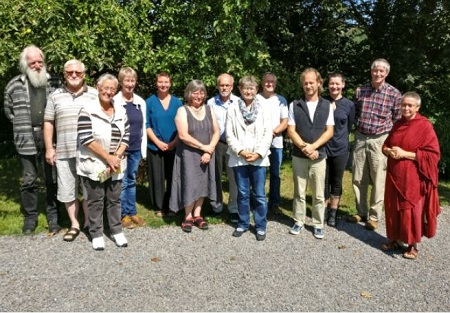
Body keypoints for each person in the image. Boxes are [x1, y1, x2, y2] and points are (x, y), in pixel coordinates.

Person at [4, 45, 59, 235]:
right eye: (32, 62)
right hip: (26, 136)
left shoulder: (54, 83)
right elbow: (9, 110)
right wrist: (22, 124)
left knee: (52, 178)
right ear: (25, 64)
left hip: (50, 137)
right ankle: (30, 218)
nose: (36, 65)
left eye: (39, 61)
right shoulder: (14, 85)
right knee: (28, 179)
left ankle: (53, 216)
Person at [381, 92, 440, 259]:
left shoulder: (424, 126)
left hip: (412, 176)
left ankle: (412, 245)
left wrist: (405, 154)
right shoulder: (398, 124)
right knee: (393, 207)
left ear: (417, 107)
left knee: (410, 209)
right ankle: (396, 240)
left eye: (409, 105)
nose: (405, 108)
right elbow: (386, 144)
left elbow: (433, 155)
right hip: (394, 174)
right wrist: (388, 150)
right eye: (403, 105)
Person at [44, 59, 97, 241]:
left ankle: (90, 223)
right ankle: (74, 224)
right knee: (67, 189)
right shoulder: (55, 95)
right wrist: (49, 148)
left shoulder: (95, 95)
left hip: (89, 152)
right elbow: (48, 122)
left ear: (84, 75)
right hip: (64, 151)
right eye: (70, 73)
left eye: (78, 73)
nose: (74, 75)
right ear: (64, 74)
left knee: (90, 190)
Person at [77, 74, 130, 250]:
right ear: (98, 88)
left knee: (115, 199)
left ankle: (116, 231)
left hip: (115, 163)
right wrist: (107, 158)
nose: (108, 92)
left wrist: (115, 157)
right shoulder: (87, 109)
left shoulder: (120, 110)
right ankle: (97, 233)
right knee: (96, 199)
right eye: (105, 88)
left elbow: (126, 136)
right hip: (95, 162)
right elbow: (85, 138)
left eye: (112, 89)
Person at [349, 58, 402, 231]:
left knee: (379, 178)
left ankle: (374, 217)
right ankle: (361, 212)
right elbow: (355, 112)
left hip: (380, 138)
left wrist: (390, 141)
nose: (378, 73)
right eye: (375, 70)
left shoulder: (394, 94)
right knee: (358, 177)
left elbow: (397, 120)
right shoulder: (360, 90)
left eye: (381, 71)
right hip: (360, 137)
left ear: (386, 73)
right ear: (371, 71)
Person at [287, 68, 334, 239]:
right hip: (299, 156)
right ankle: (298, 220)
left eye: (311, 82)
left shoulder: (326, 105)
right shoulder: (295, 104)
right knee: (299, 192)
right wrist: (304, 148)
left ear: (319, 83)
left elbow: (329, 131)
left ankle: (317, 223)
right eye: (305, 83)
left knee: (319, 193)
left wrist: (313, 147)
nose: (308, 85)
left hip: (319, 156)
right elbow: (291, 130)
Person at [169, 80, 220, 233]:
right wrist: (202, 147)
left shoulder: (209, 109)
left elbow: (217, 131)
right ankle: (188, 216)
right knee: (189, 183)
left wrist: (209, 150)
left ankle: (198, 215)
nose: (199, 95)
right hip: (189, 155)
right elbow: (183, 136)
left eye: (202, 92)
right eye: (195, 92)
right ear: (189, 94)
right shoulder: (182, 111)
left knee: (203, 183)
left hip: (207, 154)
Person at [226, 75, 272, 241]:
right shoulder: (232, 109)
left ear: (256, 90)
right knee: (243, 193)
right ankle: (243, 223)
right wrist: (242, 152)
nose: (248, 91)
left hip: (259, 158)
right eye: (245, 88)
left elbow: (269, 133)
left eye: (251, 88)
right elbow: (229, 133)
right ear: (240, 89)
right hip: (240, 158)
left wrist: (258, 153)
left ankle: (260, 226)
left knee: (259, 194)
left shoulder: (264, 109)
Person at [113, 67, 147, 229]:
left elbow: (142, 126)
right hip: (121, 150)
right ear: (121, 82)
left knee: (132, 180)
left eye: (132, 80)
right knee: (122, 182)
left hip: (135, 148)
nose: (130, 84)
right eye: (127, 80)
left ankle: (132, 211)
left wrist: (143, 148)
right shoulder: (115, 101)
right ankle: (121, 214)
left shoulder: (140, 102)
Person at [146, 71, 182, 217]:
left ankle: (172, 206)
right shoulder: (149, 102)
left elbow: (182, 125)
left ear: (170, 83)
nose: (163, 85)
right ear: (156, 83)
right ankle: (159, 207)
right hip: (155, 146)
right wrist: (157, 142)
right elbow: (146, 125)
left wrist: (174, 142)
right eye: (160, 82)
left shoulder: (177, 103)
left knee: (173, 176)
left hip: (174, 145)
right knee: (157, 178)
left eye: (166, 82)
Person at [206, 73, 240, 222]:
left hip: (234, 144)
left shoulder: (239, 102)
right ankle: (217, 206)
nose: (224, 87)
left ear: (232, 86)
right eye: (222, 85)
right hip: (217, 144)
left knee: (234, 178)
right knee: (216, 176)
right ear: (217, 86)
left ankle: (234, 209)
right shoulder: (210, 103)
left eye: (227, 85)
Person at [324, 73, 355, 227]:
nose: (334, 87)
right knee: (324, 180)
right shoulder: (322, 102)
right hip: (323, 147)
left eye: (337, 84)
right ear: (328, 85)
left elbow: (349, 127)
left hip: (341, 148)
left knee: (336, 181)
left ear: (343, 85)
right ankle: (322, 210)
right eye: (331, 83)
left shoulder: (349, 105)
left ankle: (333, 212)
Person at [255, 72, 288, 214]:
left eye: (272, 82)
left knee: (275, 174)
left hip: (276, 143)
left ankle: (274, 204)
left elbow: (285, 122)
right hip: (258, 142)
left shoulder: (281, 100)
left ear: (275, 84)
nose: (269, 84)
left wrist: (272, 134)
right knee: (258, 172)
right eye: (267, 81)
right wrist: (263, 137)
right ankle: (257, 202)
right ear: (262, 83)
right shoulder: (255, 99)